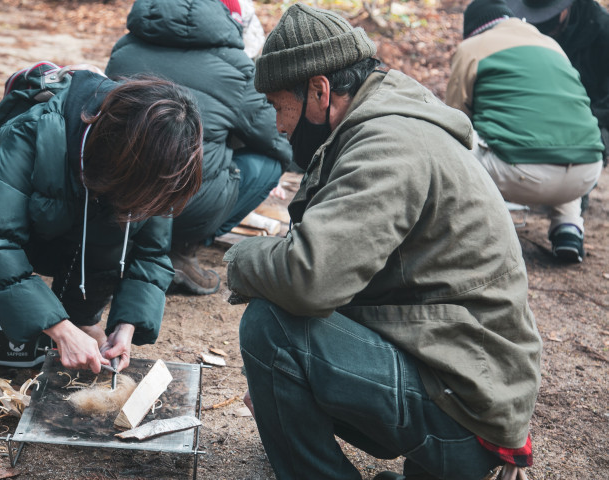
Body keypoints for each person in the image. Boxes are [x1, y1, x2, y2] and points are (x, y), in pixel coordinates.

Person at [223, 3, 542, 479]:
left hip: (465, 403)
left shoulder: (387, 146)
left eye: (276, 105)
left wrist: (239, 259)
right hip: (463, 380)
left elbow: (309, 279)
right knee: (287, 340)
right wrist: (282, 379)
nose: (278, 125)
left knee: (272, 327)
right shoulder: (387, 124)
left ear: (319, 89)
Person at [0, 67, 203, 373]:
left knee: (113, 223)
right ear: (118, 162)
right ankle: (23, 318)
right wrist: (61, 328)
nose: (148, 203)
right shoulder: (36, 130)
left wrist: (125, 325)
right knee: (4, 358)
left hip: (63, 225)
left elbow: (151, 251)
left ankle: (77, 318)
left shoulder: (162, 164)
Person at [105, 0, 291, 295]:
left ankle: (125, 246)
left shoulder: (125, 47)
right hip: (184, 208)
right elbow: (276, 135)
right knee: (268, 163)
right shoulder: (236, 65)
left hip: (119, 200)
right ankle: (180, 250)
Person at [446, 0, 603, 263]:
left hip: (521, 175)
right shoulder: (551, 45)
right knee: (560, 140)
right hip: (587, 171)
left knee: (449, 145)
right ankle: (568, 227)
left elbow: (455, 119)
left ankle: (469, 233)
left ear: (472, 28)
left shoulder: (471, 48)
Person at [506, 0, 609, 163]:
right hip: (543, 114)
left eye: (549, 17)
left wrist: (584, 123)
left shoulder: (601, 28)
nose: (545, 25)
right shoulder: (528, 28)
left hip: (593, 119)